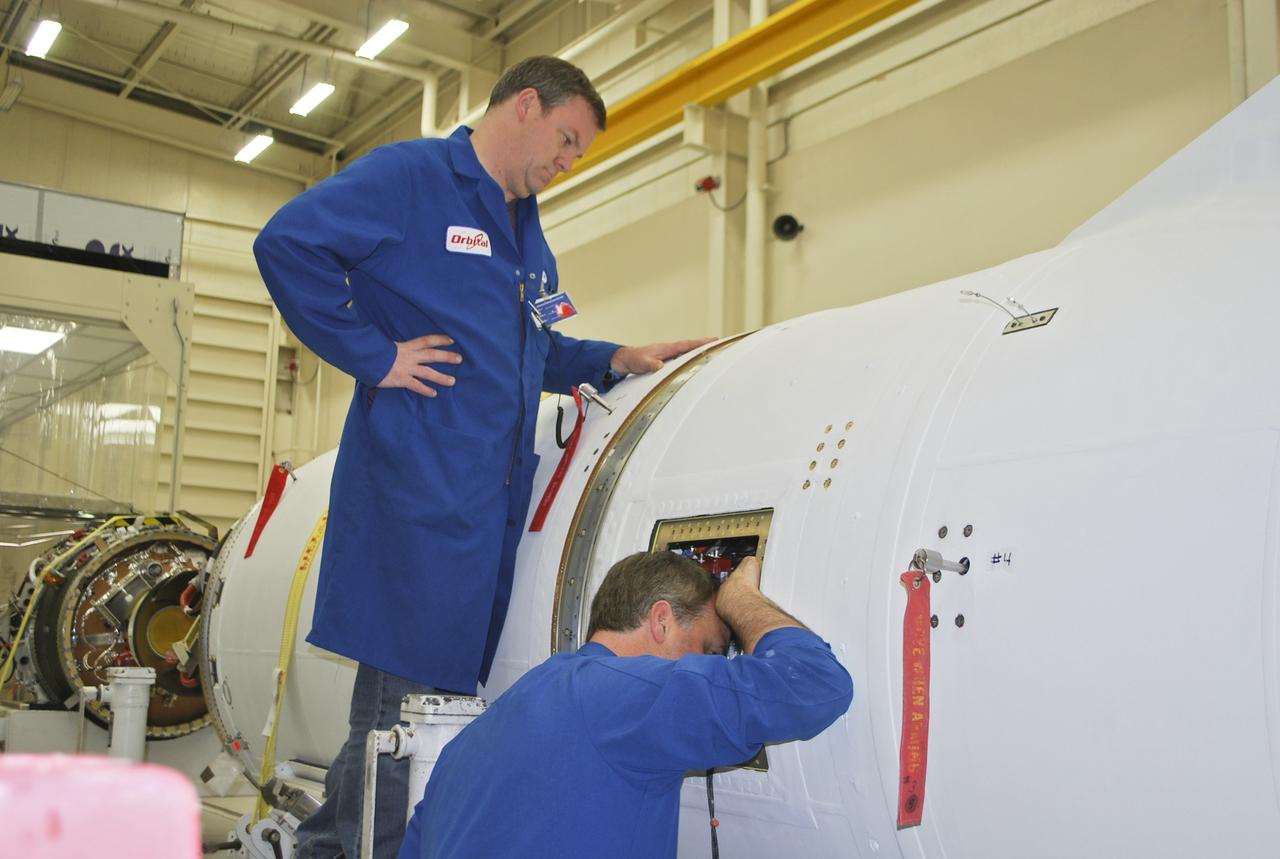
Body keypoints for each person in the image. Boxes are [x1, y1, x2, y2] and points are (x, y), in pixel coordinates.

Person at [253, 56, 712, 858]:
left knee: (422, 720)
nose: (569, 162)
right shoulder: (413, 176)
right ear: (526, 106)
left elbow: (534, 346)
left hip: (484, 519)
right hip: (419, 501)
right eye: (566, 140)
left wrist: (615, 356)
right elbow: (287, 243)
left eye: (579, 153)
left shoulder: (528, 232)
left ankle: (339, 845)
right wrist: (376, 355)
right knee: (396, 721)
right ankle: (342, 849)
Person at [398, 553, 854, 858]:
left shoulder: (486, 730)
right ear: (661, 620)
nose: (714, 668)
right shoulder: (627, 698)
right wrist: (743, 601)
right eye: (711, 651)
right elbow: (816, 683)